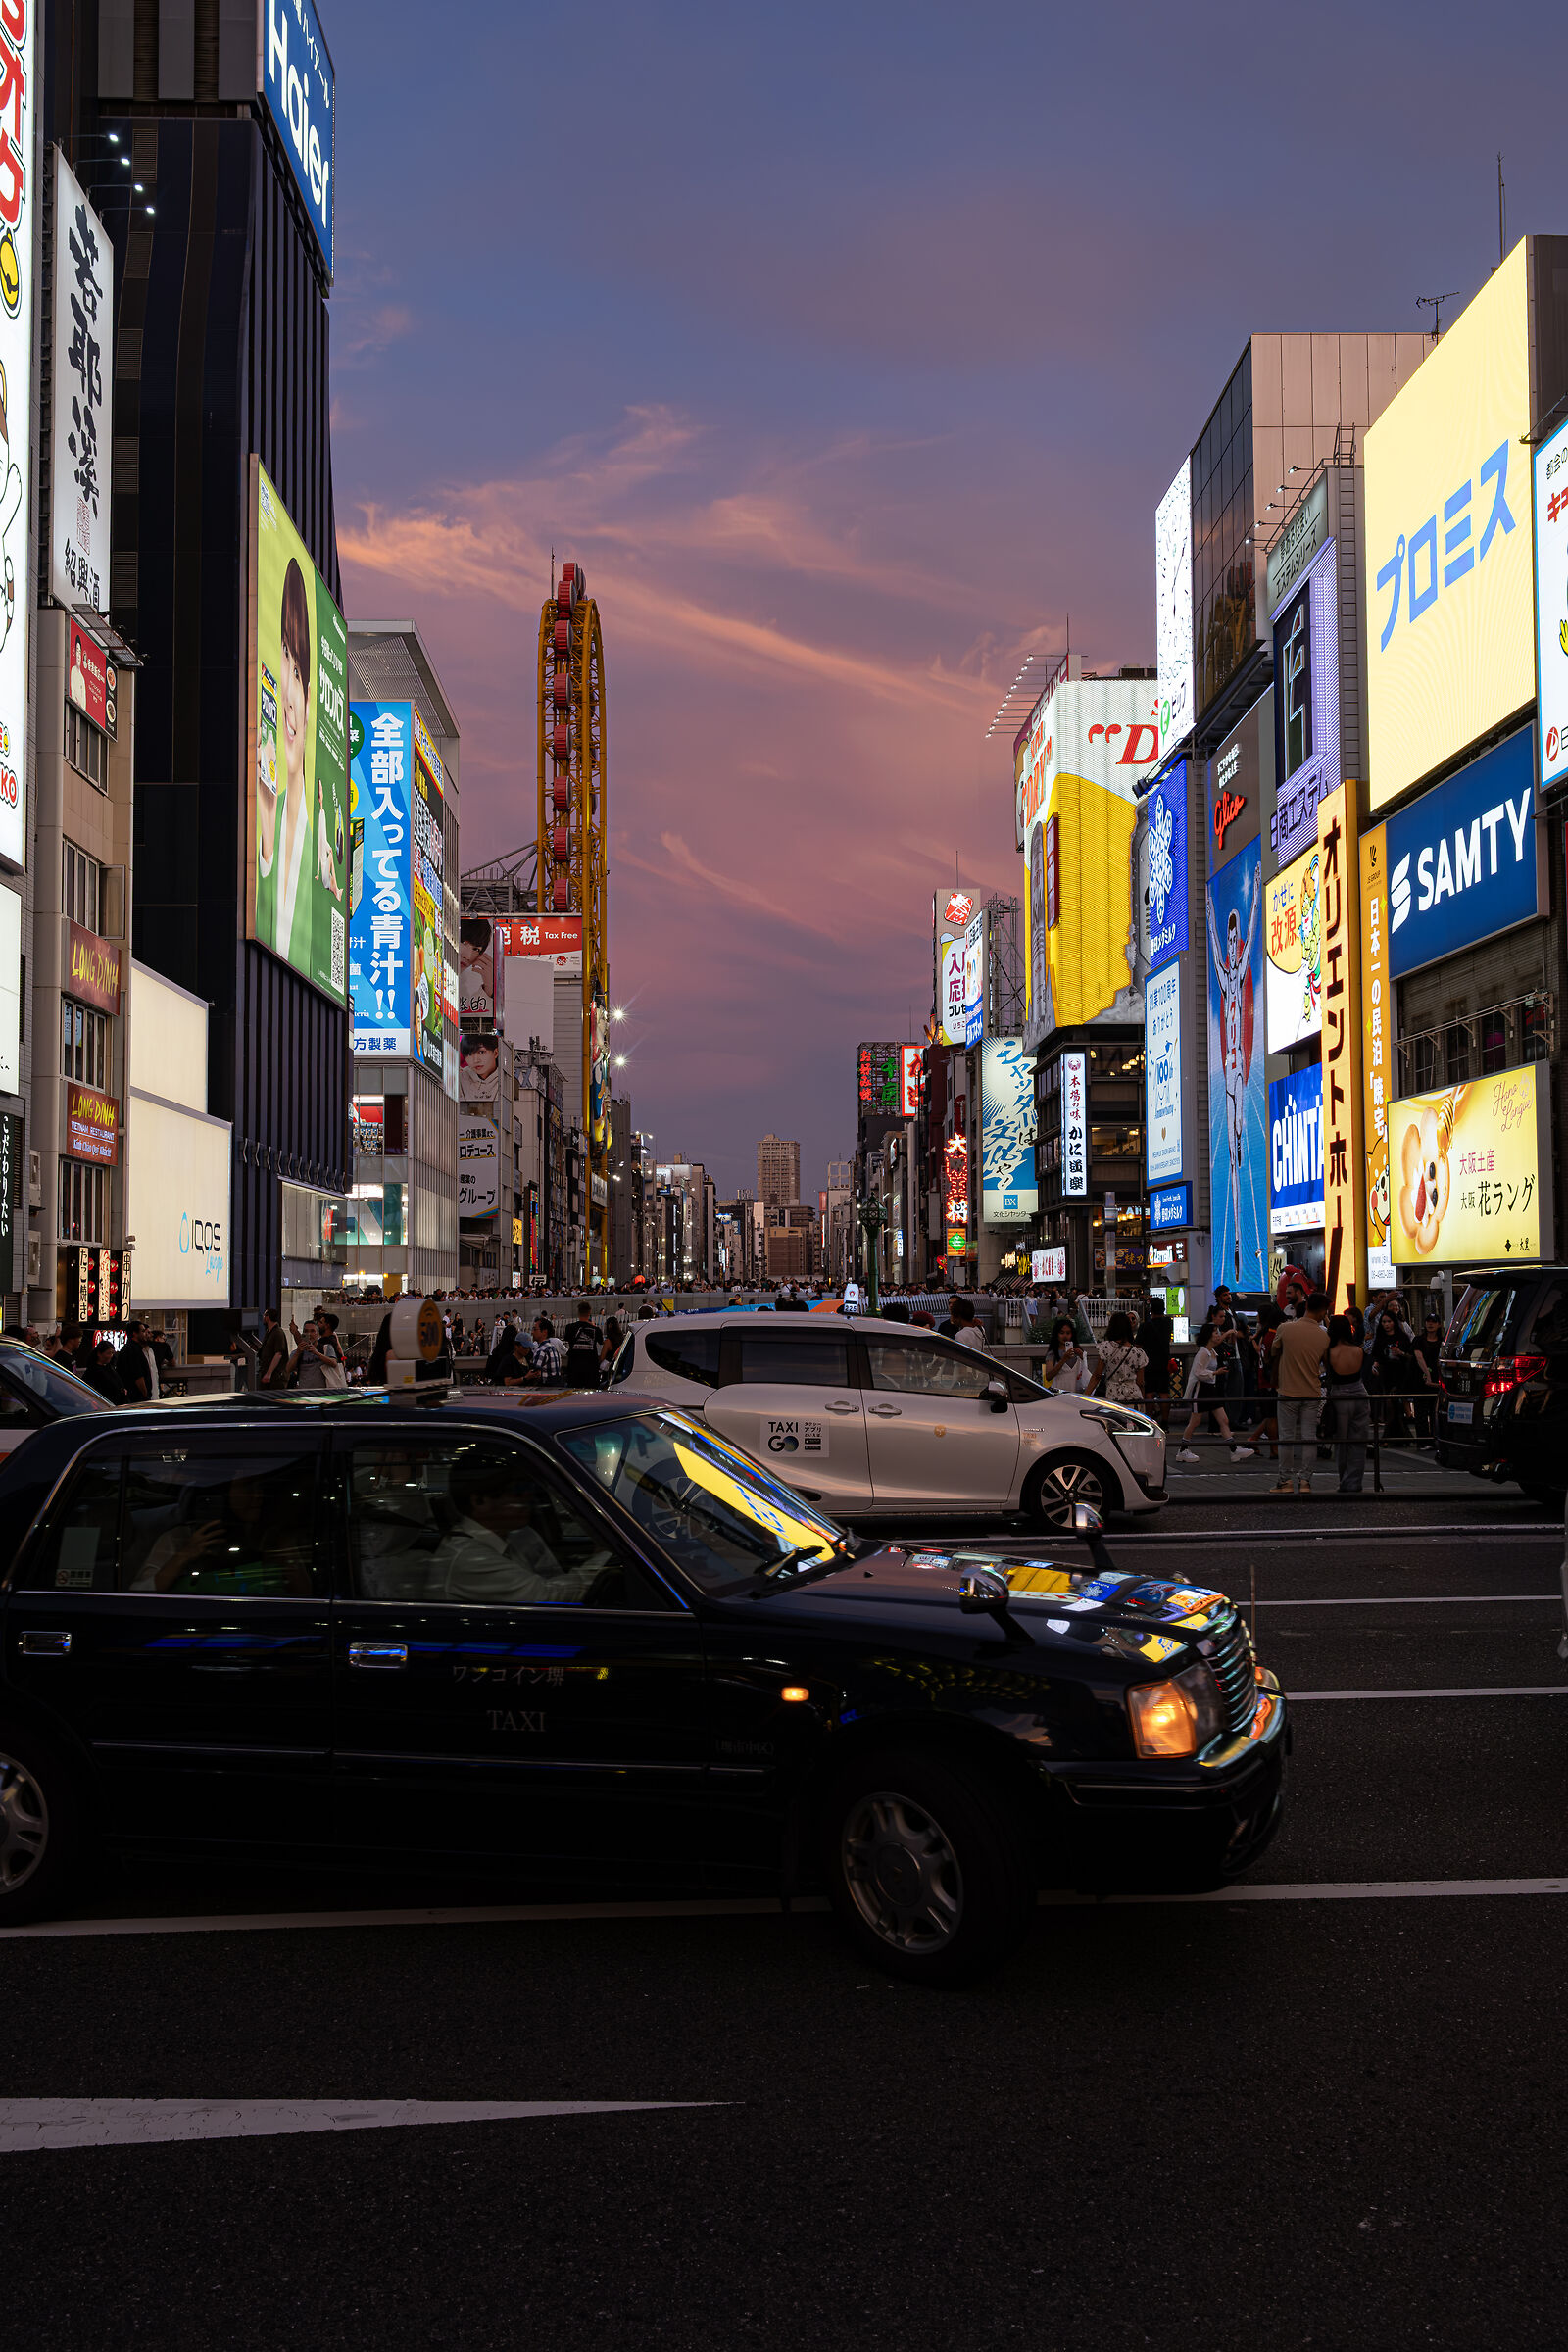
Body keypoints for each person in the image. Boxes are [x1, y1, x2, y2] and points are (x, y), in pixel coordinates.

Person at [1206, 874, 1261, 1287]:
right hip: (1229, 1064)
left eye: (1233, 938)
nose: (1230, 944)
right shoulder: (1225, 976)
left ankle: (1240, 1143)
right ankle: (1239, 1244)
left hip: (1239, 1061)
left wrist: (1257, 892)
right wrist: (1208, 911)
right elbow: (1211, 948)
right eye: (1227, 939)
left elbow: (1255, 928)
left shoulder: (1238, 971)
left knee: (1240, 1129)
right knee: (1231, 1137)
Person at [1269, 1289, 1329, 1494]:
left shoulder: (1285, 1329)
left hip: (1287, 1391)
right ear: (1322, 1312)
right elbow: (1325, 1363)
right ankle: (1305, 1481)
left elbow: (1273, 1351)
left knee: (1286, 1438)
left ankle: (1285, 1481)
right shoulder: (1323, 1336)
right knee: (1309, 1437)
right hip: (1312, 1392)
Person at [1176, 1323, 1255, 1461]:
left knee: (1223, 1420)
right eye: (1216, 1332)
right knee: (1195, 1421)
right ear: (1209, 1335)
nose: (1218, 1334)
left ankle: (1234, 1450)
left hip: (1210, 1388)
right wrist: (1215, 1372)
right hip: (1201, 1389)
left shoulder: (1212, 1351)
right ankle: (1182, 1450)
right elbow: (1198, 1373)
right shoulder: (1203, 1352)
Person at [1325, 1313, 1371, 1494]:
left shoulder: (1330, 1352)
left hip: (1340, 1396)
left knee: (1342, 1441)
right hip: (1360, 1392)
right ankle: (1354, 1482)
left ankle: (1343, 1480)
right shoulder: (1358, 1350)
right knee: (1359, 1441)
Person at [1134, 1297, 1173, 1426]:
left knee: (1149, 1393)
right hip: (1164, 1362)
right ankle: (1166, 1422)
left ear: (1151, 1310)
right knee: (1164, 1393)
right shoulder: (1168, 1323)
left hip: (1148, 1363)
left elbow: (1138, 1345)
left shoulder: (1145, 1326)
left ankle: (1150, 1422)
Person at [1097, 1311, 1148, 1405]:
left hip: (1113, 1396)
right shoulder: (1138, 1353)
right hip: (1134, 1397)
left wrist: (1086, 1395)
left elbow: (1097, 1375)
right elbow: (1140, 1382)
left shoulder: (1105, 1348)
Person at [1046, 1317, 1097, 1396]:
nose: (1065, 1336)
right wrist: (1064, 1359)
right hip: (1059, 1393)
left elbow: (1085, 1372)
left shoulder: (1077, 1351)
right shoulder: (1052, 1353)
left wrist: (1082, 1357)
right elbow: (1048, 1376)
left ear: (1072, 1334)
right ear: (1057, 1334)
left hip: (1076, 1393)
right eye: (1062, 1333)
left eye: (1068, 1333)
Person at [563, 1301, 603, 1389]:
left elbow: (567, 1339)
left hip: (574, 1367)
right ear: (589, 1313)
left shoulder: (569, 1327)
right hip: (591, 1368)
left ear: (578, 1312)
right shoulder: (596, 1330)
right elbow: (601, 1342)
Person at [256, 1306, 289, 1391]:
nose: (263, 1318)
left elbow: (278, 1354)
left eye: (264, 1316)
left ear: (268, 1317)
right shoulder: (269, 1332)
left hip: (276, 1376)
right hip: (268, 1372)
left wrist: (268, 1373)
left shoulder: (278, 1332)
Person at [527, 1315, 566, 1385]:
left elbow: (535, 1374)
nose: (532, 1332)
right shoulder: (552, 1347)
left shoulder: (541, 1350)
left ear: (544, 1332)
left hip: (546, 1387)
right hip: (556, 1386)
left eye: (535, 1329)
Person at [84, 1339, 127, 1403]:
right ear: (99, 1354)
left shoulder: (110, 1367)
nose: (110, 1356)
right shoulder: (92, 1371)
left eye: (112, 1353)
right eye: (108, 1353)